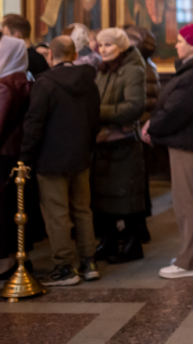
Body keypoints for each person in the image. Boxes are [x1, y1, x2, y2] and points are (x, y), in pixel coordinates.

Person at [20, 36, 100, 286]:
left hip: (51, 158)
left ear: (49, 56)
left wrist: (25, 157)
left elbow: (34, 124)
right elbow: (94, 119)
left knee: (57, 214)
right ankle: (89, 262)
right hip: (80, 156)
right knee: (83, 210)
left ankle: (64, 267)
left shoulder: (45, 83)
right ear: (75, 55)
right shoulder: (89, 82)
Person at [143, 24, 193, 279]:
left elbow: (173, 113)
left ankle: (191, 262)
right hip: (184, 145)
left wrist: (152, 126)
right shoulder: (192, 74)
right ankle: (191, 254)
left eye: (179, 41)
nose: (175, 45)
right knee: (185, 202)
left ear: (192, 45)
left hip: (187, 147)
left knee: (188, 204)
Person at [93, 28, 147, 264]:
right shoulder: (102, 71)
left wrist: (96, 113)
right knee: (103, 197)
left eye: (108, 45)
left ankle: (133, 243)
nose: (102, 49)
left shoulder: (133, 70)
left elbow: (134, 107)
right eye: (100, 45)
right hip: (103, 142)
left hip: (123, 143)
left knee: (127, 196)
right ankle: (108, 240)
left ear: (122, 47)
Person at [123, 25, 160, 244]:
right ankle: (140, 226)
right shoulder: (148, 66)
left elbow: (141, 103)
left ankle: (139, 228)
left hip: (140, 128)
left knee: (138, 181)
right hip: (143, 127)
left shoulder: (139, 68)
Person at [0, 33, 31, 280]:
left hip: (4, 153)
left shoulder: (5, 84)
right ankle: (18, 257)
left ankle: (9, 262)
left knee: (5, 208)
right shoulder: (25, 78)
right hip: (18, 151)